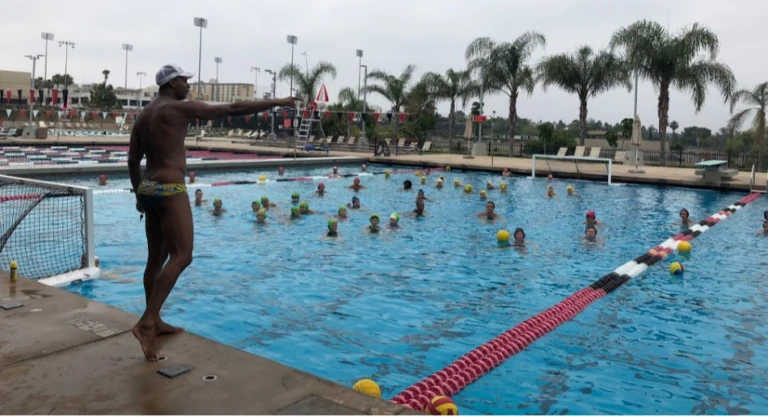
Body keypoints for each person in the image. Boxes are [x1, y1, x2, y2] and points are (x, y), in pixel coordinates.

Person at [128, 63, 300, 361]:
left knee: (155, 258)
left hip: (149, 189)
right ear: (171, 84)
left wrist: (139, 194)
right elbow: (233, 107)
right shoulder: (178, 109)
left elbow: (132, 160)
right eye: (184, 81)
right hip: (170, 190)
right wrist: (278, 101)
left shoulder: (144, 115)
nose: (188, 86)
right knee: (182, 255)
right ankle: (146, 322)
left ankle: (153, 320)